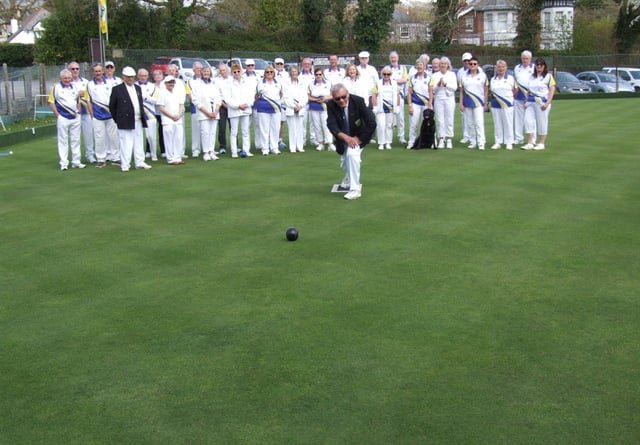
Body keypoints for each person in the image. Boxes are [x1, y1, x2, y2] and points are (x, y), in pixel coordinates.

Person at [326, 83, 376, 200]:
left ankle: (355, 189)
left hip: (359, 136)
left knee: (352, 155)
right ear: (333, 98)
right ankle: (348, 177)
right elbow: (331, 124)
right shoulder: (331, 105)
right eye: (337, 98)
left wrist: (360, 139)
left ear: (347, 93)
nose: (341, 100)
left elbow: (371, 122)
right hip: (343, 138)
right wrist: (345, 137)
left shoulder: (358, 101)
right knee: (345, 161)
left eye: (344, 97)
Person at [109, 66, 151, 172]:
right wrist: (117, 119)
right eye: (128, 77)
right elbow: (112, 106)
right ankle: (125, 164)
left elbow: (140, 104)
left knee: (138, 142)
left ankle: (139, 162)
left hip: (138, 119)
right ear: (123, 77)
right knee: (126, 143)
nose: (130, 79)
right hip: (124, 120)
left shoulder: (137, 88)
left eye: (132, 77)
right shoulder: (117, 89)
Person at [49, 68, 83, 171]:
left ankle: (76, 162)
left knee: (76, 140)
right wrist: (58, 115)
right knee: (63, 140)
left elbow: (78, 100)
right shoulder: (56, 87)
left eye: (69, 78)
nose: (67, 80)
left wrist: (78, 111)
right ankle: (64, 163)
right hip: (63, 117)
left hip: (75, 117)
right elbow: (51, 101)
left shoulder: (75, 87)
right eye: (65, 78)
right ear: (61, 78)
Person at [85, 63, 118, 168]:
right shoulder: (90, 85)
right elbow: (88, 101)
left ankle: (115, 158)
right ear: (93, 73)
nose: (98, 73)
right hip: (98, 116)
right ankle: (100, 159)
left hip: (111, 115)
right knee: (99, 138)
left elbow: (114, 99)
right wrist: (92, 114)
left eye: (100, 71)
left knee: (114, 137)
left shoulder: (109, 83)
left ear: (103, 71)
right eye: (96, 71)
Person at [523, 57, 555, 151]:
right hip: (531, 101)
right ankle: (530, 142)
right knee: (527, 121)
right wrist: (526, 101)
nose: (539, 67)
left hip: (542, 102)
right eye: (537, 65)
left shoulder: (548, 76)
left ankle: (541, 143)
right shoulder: (531, 77)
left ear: (544, 66)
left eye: (541, 65)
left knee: (542, 122)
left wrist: (548, 102)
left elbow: (552, 90)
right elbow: (528, 90)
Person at [224, 63, 255, 157]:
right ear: (232, 73)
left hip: (246, 109)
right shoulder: (228, 84)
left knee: (245, 131)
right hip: (234, 110)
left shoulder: (247, 82)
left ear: (241, 72)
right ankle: (234, 152)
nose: (237, 73)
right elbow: (227, 98)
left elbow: (251, 95)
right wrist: (238, 106)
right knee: (234, 132)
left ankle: (246, 150)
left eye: (238, 71)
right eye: (234, 72)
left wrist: (247, 104)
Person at [191, 66, 222, 161]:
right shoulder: (197, 85)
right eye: (204, 71)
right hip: (204, 113)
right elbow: (195, 100)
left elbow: (218, 98)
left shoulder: (214, 84)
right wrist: (207, 112)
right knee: (205, 132)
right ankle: (206, 152)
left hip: (214, 113)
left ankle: (211, 151)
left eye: (208, 71)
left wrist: (216, 111)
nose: (206, 73)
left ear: (210, 73)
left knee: (212, 133)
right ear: (201, 72)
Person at [458, 56, 488, 150]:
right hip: (467, 103)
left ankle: (481, 142)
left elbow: (486, 90)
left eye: (474, 64)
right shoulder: (464, 76)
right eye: (471, 64)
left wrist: (486, 103)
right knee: (470, 123)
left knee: (479, 123)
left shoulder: (482, 75)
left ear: (478, 65)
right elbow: (461, 91)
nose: (472, 65)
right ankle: (473, 141)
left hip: (479, 103)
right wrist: (461, 103)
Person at [429, 56, 458, 149]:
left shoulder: (452, 74)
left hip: (449, 98)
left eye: (444, 64)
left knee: (449, 119)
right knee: (440, 119)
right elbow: (432, 89)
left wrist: (446, 84)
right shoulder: (434, 75)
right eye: (441, 64)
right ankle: (441, 138)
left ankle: (449, 138)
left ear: (447, 65)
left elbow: (455, 88)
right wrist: (438, 84)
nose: (443, 65)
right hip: (438, 98)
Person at [69, 61, 95, 164]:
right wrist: (77, 94)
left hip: (86, 112)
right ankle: (76, 158)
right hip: (73, 113)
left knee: (89, 135)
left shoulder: (86, 82)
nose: (75, 70)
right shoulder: (67, 82)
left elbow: (91, 96)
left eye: (77, 68)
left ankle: (90, 155)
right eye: (73, 69)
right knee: (74, 137)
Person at [157, 75, 185, 165]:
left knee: (178, 138)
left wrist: (179, 115)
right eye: (169, 82)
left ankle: (177, 157)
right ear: (165, 83)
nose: (171, 84)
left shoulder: (177, 92)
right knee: (169, 139)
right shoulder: (162, 93)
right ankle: (170, 158)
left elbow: (181, 105)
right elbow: (161, 107)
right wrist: (172, 116)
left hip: (178, 119)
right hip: (167, 120)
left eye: (172, 82)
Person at [255, 65, 283, 155]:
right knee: (264, 129)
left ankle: (274, 147)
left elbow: (281, 94)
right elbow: (256, 96)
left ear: (274, 73)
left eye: (271, 72)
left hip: (276, 109)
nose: (269, 74)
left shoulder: (278, 83)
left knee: (275, 128)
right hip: (263, 109)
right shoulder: (260, 83)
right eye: (267, 72)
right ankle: (265, 148)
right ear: (265, 73)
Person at [488, 60, 516, 150]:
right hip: (495, 104)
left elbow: (515, 90)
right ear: (496, 68)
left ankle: (509, 142)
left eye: (503, 66)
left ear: (506, 68)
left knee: (508, 123)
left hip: (507, 104)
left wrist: (508, 99)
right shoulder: (493, 79)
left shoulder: (510, 78)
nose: (501, 68)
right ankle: (498, 142)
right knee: (497, 124)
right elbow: (491, 91)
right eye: (499, 67)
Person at [372, 67, 401, 150]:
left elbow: (397, 95)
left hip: (391, 108)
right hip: (381, 107)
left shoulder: (395, 84)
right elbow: (374, 95)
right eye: (384, 74)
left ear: (391, 75)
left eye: (388, 74)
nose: (386, 76)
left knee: (389, 126)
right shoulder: (378, 83)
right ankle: (381, 143)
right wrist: (375, 106)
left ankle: (388, 142)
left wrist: (398, 106)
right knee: (381, 125)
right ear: (382, 75)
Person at [308, 67, 335, 151]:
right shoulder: (311, 84)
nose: (318, 76)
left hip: (325, 106)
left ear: (322, 74)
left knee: (326, 124)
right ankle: (320, 143)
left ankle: (330, 143)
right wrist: (316, 100)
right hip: (314, 106)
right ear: (314, 75)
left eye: (320, 74)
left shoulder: (328, 83)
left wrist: (325, 99)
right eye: (316, 75)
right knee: (317, 125)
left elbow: (332, 95)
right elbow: (308, 96)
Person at [283, 66, 308, 153]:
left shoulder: (302, 83)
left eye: (295, 72)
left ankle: (300, 146)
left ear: (298, 73)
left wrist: (300, 105)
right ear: (290, 73)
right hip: (291, 108)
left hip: (300, 108)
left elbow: (305, 96)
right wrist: (293, 106)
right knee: (292, 128)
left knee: (300, 128)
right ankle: (292, 147)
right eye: (292, 72)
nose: (294, 73)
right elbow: (286, 97)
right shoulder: (286, 83)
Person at [407, 59, 431, 149]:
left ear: (424, 67)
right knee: (414, 124)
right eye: (418, 65)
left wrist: (430, 104)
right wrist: (410, 105)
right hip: (415, 104)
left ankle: (430, 142)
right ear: (416, 67)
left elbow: (431, 92)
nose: (419, 67)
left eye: (421, 65)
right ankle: (411, 142)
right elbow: (409, 93)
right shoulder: (412, 78)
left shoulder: (429, 78)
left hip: (426, 104)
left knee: (428, 124)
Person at [136, 68, 159, 161]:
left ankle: (154, 154)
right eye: (141, 76)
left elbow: (156, 100)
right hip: (138, 114)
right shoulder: (134, 86)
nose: (143, 77)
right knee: (138, 136)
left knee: (151, 136)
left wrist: (145, 98)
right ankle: (140, 155)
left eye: (145, 76)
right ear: (138, 76)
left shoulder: (152, 86)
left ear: (148, 76)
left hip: (150, 114)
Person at [387, 50, 408, 144]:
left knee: (400, 117)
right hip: (389, 96)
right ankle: (389, 137)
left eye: (394, 57)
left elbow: (405, 79)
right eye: (391, 57)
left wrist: (394, 80)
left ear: (398, 58)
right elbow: (386, 80)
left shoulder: (403, 68)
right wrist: (397, 80)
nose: (393, 59)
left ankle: (401, 136)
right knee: (389, 117)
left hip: (400, 95)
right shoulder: (387, 68)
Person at [514, 50, 535, 144]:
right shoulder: (517, 68)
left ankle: (532, 139)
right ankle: (519, 138)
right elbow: (515, 81)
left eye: (527, 58)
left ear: (530, 59)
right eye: (523, 58)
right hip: (518, 97)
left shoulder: (534, 68)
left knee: (531, 119)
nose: (525, 60)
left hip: (530, 97)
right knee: (518, 118)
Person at [187, 62, 203, 157]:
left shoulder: (207, 80)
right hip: (195, 108)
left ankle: (208, 149)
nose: (199, 70)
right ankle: (195, 149)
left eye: (201, 68)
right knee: (196, 129)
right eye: (197, 68)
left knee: (206, 129)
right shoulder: (189, 81)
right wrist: (198, 103)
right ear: (193, 70)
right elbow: (189, 95)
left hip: (207, 108)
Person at [215, 63, 231, 155]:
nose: (222, 72)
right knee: (222, 127)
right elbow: (217, 94)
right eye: (220, 70)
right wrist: (224, 104)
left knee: (233, 127)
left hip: (232, 106)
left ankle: (235, 145)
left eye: (224, 70)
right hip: (221, 106)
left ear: (227, 70)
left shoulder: (232, 79)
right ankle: (222, 146)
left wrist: (231, 104)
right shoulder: (217, 81)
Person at [273, 57, 289, 150]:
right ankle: (271, 140)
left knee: (281, 122)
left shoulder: (287, 75)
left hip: (283, 101)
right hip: (273, 101)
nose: (279, 66)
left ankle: (279, 139)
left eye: (281, 64)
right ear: (274, 64)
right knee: (272, 122)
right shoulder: (271, 73)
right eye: (277, 64)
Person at [457, 52, 473, 144]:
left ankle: (473, 136)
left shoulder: (478, 70)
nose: (467, 62)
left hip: (475, 99)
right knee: (464, 117)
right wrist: (461, 101)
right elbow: (460, 87)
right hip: (464, 97)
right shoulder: (460, 72)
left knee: (474, 119)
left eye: (468, 60)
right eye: (465, 61)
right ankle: (466, 136)